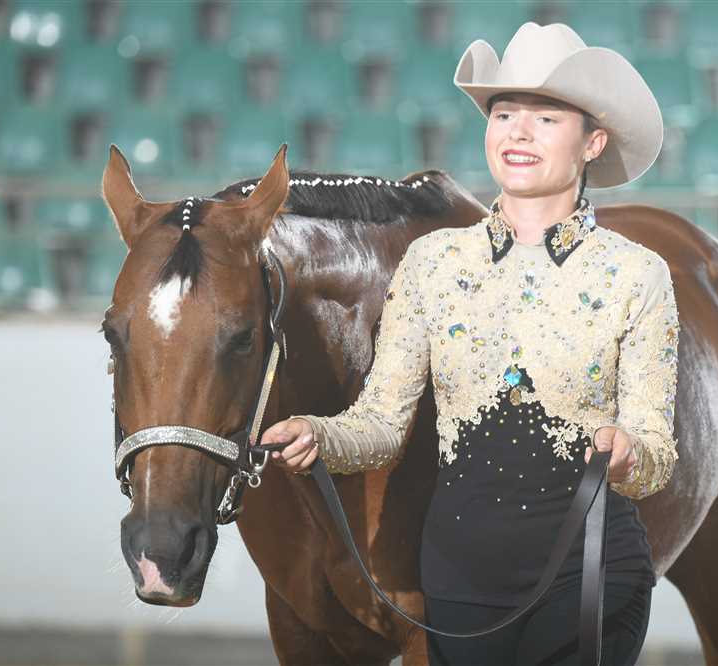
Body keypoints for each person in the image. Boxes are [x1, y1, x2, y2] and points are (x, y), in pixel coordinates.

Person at [261, 22, 680, 666]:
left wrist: (628, 454)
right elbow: (381, 426)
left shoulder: (637, 274)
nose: (518, 131)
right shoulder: (432, 263)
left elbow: (656, 452)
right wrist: (319, 435)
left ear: (593, 142)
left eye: (546, 118)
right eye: (504, 114)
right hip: (459, 584)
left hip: (590, 577)